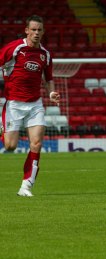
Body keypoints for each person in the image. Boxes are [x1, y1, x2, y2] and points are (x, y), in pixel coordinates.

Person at [0, 15, 60, 197]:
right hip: (14, 104)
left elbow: (48, 79)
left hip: (35, 104)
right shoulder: (14, 48)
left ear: (43, 32)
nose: (36, 33)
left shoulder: (45, 54)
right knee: (10, 146)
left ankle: (26, 185)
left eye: (39, 30)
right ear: (26, 30)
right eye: (33, 29)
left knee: (37, 143)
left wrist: (51, 93)